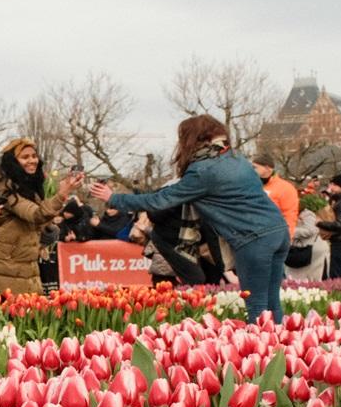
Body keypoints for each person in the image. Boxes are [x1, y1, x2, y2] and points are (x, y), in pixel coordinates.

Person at [92, 115, 290, 320]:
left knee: (256, 305)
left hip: (253, 239)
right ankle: (280, 349)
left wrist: (113, 198)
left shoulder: (203, 171)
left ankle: (265, 350)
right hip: (278, 231)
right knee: (272, 301)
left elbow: (161, 200)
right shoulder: (236, 158)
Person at [0, 138, 83, 294]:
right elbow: (35, 215)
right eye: (25, 157)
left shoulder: (29, 188)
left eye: (34, 156)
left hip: (23, 264)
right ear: (13, 162)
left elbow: (38, 220)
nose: (32, 160)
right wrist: (63, 193)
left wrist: (49, 230)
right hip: (2, 267)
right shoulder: (6, 189)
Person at [254, 157, 299, 239]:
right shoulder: (253, 185)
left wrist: (287, 239)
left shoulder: (285, 188)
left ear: (267, 168)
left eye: (255, 167)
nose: (252, 170)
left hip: (274, 237)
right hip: (254, 237)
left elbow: (290, 215)